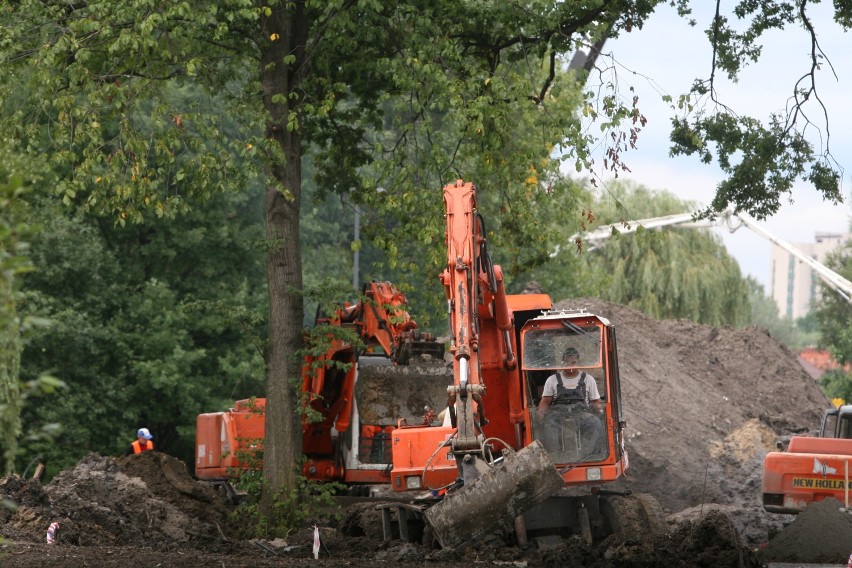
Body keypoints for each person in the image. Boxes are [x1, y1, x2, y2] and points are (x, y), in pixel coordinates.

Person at [537, 347, 605, 459]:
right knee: (549, 424)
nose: (570, 366)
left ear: (578, 362)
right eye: (567, 362)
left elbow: (595, 401)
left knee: (594, 423)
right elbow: (545, 401)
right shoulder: (552, 380)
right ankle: (555, 456)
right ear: (562, 362)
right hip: (557, 415)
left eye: (573, 362)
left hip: (581, 414)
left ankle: (585, 456)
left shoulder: (588, 379)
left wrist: (600, 412)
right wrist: (540, 415)